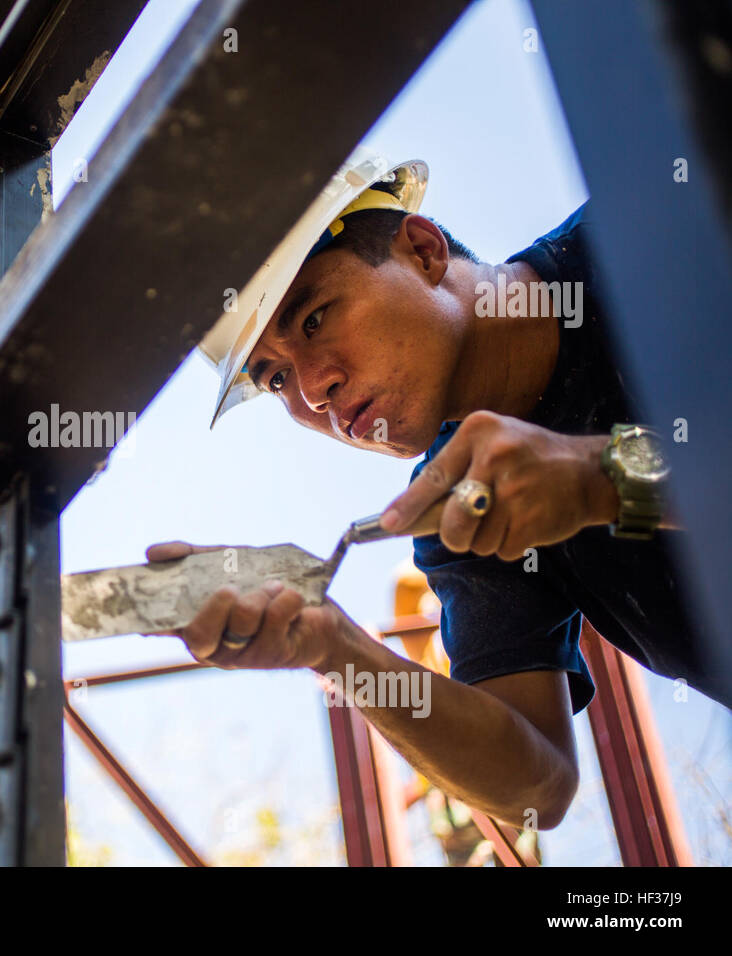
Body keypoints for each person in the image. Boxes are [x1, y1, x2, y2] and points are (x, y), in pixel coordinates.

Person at [151, 150, 731, 830]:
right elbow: (536, 790)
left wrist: (602, 479)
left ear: (422, 250)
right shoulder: (462, 510)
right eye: (276, 379)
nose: (312, 389)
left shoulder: (655, 239)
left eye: (313, 320)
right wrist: (338, 649)